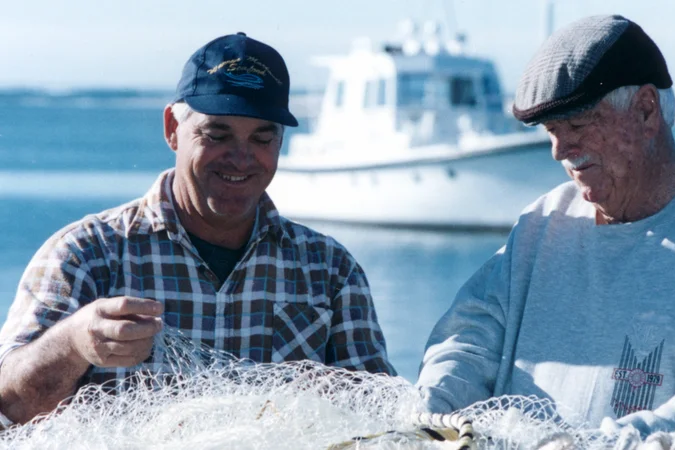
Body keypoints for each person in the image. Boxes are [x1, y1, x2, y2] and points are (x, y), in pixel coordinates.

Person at [416, 15, 675, 439]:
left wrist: (578, 445)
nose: (560, 150)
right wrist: (436, 410)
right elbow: (467, 340)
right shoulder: (541, 224)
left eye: (578, 125)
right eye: (551, 131)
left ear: (646, 110)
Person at [0, 32, 395, 427]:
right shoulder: (85, 255)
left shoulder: (331, 271)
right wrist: (74, 343)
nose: (241, 158)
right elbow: (11, 406)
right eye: (216, 134)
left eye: (262, 138)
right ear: (173, 127)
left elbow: (379, 419)